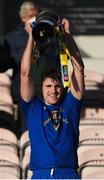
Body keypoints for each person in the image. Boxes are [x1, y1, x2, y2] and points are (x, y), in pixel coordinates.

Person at [20, 15, 85, 179]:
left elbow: (79, 71)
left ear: (62, 89)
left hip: (68, 173)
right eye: (48, 86)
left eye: (57, 86)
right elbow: (25, 73)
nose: (53, 91)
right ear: (41, 89)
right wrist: (31, 37)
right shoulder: (33, 108)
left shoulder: (70, 106)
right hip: (41, 174)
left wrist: (67, 36)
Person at [2, 1, 41, 137]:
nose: (34, 19)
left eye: (37, 15)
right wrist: (30, 41)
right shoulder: (13, 37)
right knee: (26, 130)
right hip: (23, 90)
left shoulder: (48, 35)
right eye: (31, 15)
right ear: (23, 18)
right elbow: (6, 63)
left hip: (45, 89)